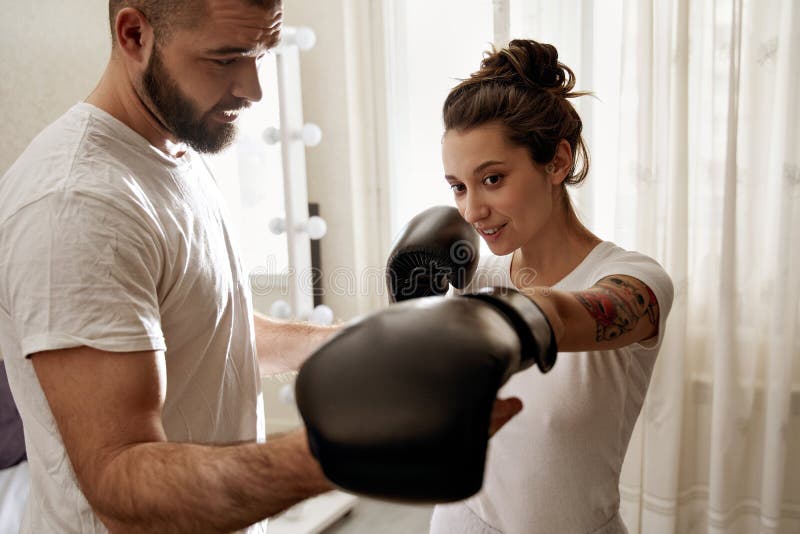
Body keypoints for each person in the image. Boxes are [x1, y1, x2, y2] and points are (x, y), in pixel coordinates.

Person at [0, 1, 339, 532]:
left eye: (260, 55)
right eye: (227, 59)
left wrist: (361, 348)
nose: (253, 89)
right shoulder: (79, 204)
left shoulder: (173, 144)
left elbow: (207, 332)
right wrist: (342, 454)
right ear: (134, 34)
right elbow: (119, 478)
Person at [429, 40, 674, 534]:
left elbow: (563, 316)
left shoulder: (637, 281)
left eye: (493, 179)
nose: (472, 211)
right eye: (458, 186)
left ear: (557, 162)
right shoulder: (469, 275)